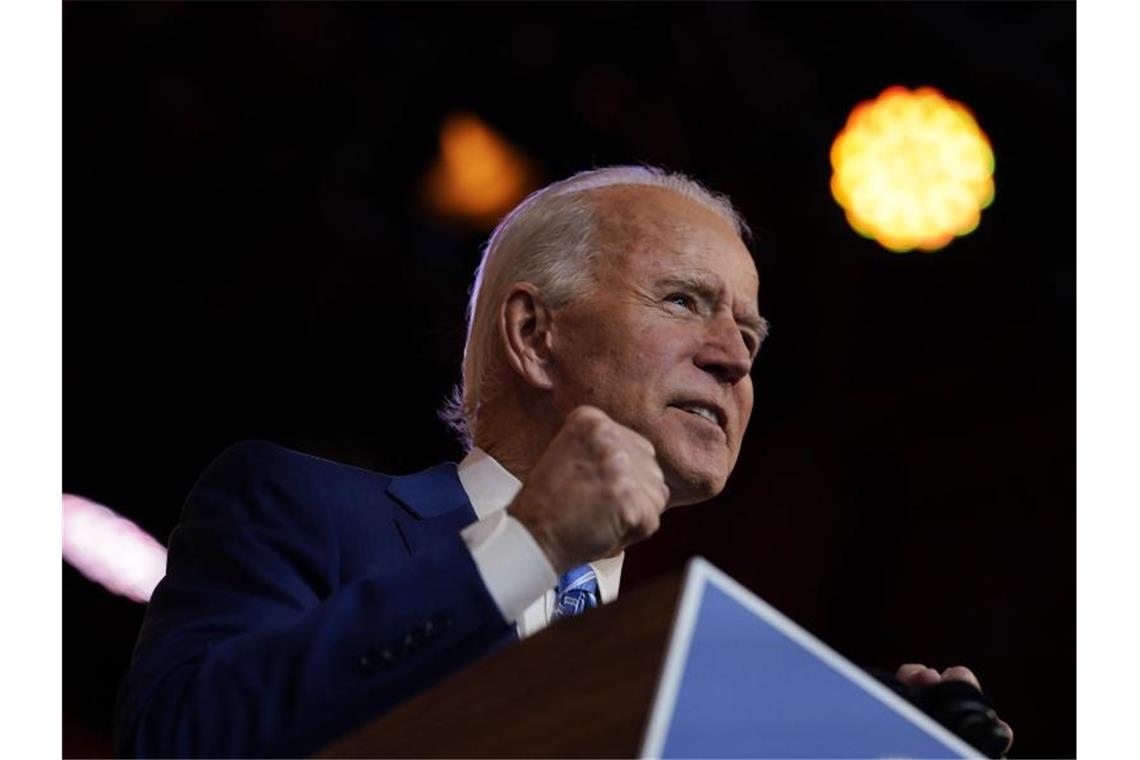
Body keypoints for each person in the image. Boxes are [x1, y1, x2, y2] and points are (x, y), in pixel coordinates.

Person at [115, 166, 1011, 757]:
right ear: (534, 333)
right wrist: (529, 542)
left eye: (750, 333)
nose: (735, 359)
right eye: (685, 301)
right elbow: (182, 742)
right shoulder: (294, 505)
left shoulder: (720, 703)